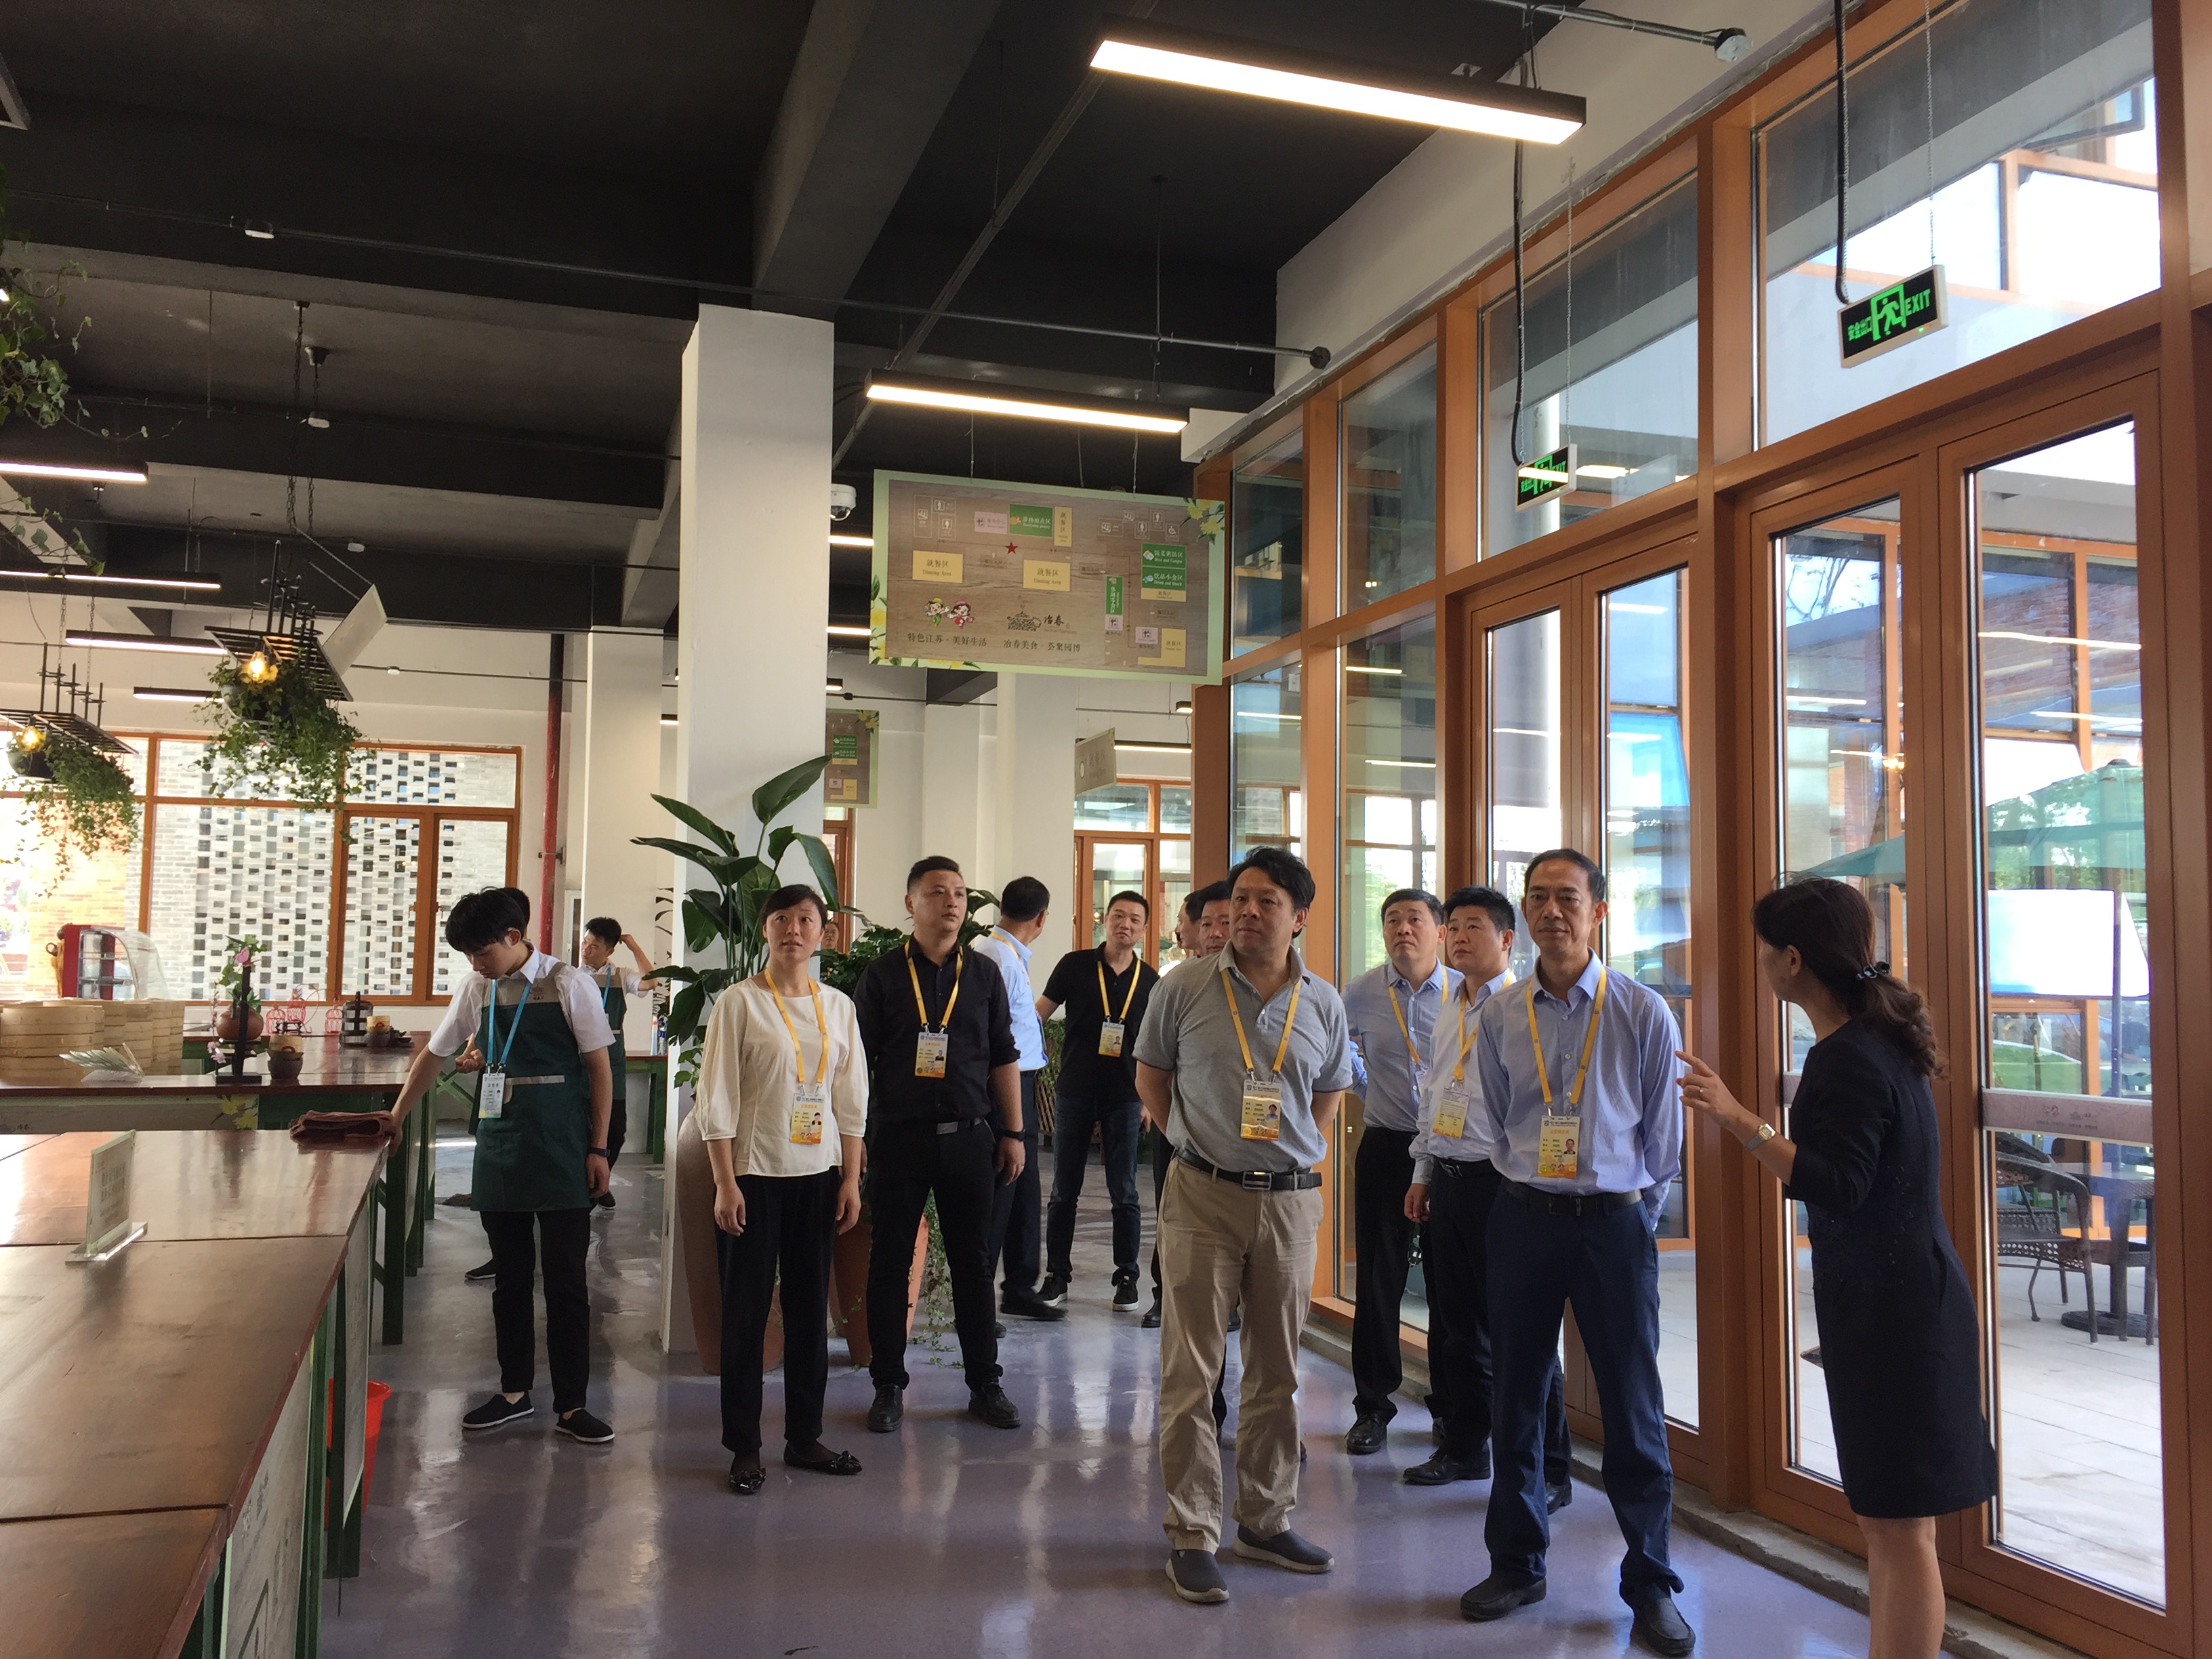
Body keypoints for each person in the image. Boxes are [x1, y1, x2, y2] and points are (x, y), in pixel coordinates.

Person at [1678, 878, 1994, 1659]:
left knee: (1896, 1528)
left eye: (1764, 950)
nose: (1759, 964)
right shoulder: (1874, 1041)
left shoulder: (1846, 1056)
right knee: (1893, 1525)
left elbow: (1840, 1184)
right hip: (1901, 1301)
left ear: (1792, 960)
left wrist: (1736, 1119)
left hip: (1896, 1315)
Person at [1460, 849, 1692, 1657]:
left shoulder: (1642, 1011)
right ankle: (1517, 1563)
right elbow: (1496, 1121)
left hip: (1614, 1227)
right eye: (1538, 899)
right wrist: (1537, 1189)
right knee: (1517, 1395)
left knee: (1632, 1405)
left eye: (1568, 897)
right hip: (1524, 1218)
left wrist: (1626, 1213)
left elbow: (1663, 1140)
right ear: (1524, 914)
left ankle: (1651, 1584)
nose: (1552, 912)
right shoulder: (1500, 1015)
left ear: (1599, 911)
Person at [1135, 847, 1355, 1606]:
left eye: (1268, 902)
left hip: (1290, 1202)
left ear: (1300, 918)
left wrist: (1290, 1152)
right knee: (1191, 1371)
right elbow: (1152, 1078)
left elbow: (1328, 1094)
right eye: (1241, 899)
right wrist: (1192, 1144)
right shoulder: (1184, 985)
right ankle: (1193, 1532)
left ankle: (1265, 1519)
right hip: (1202, 1194)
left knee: (1278, 1371)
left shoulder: (1323, 1002)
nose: (1249, 913)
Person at [394, 886, 616, 1445]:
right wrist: (395, 1116)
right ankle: (514, 1392)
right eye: (468, 955)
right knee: (510, 1281)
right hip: (500, 1146)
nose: (476, 963)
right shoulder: (477, 988)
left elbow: (600, 1069)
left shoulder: (569, 984)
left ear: (513, 937)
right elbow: (435, 1055)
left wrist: (598, 1149)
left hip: (562, 1147)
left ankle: (572, 1405)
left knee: (566, 1283)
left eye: (482, 951)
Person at [1402, 886, 1572, 1510]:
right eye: (1453, 927)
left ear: (1506, 939)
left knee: (1523, 1332)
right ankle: (1467, 1447)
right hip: (1449, 1178)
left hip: (1506, 1184)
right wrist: (1423, 1172)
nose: (1458, 937)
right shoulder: (1450, 1002)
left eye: (1473, 926)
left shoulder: (1525, 1007)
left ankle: (1553, 1470)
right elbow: (1433, 1094)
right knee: (1458, 1328)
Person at [695, 885, 869, 1495]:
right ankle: (744, 1446)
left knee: (808, 1311)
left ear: (823, 933)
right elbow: (716, 1097)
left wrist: (851, 1178)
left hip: (817, 1179)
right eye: (781, 919)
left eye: (806, 919)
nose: (793, 929)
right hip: (752, 1177)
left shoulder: (838, 1006)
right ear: (765, 930)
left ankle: (804, 1437)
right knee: (745, 1314)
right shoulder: (739, 1003)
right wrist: (724, 1183)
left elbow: (851, 1099)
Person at [853, 857, 1027, 1433]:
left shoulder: (984, 975)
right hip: (898, 1140)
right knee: (889, 1262)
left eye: (959, 892)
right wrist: (855, 1143)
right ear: (911, 904)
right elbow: (857, 1065)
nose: (952, 902)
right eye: (937, 892)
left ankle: (985, 1384)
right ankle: (887, 1385)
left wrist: (1014, 1132)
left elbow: (1003, 1055)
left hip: (968, 1140)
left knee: (973, 1265)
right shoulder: (882, 975)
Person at [1338, 888, 1460, 1455]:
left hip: (1453, 1153)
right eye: (1392, 920)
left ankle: (1451, 1409)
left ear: (1440, 931)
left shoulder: (1465, 993)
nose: (1402, 929)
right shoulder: (1361, 992)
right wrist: (1374, 1093)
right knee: (1378, 1279)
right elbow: (1340, 1054)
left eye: (1415, 919)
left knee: (1448, 1283)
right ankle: (1373, 1407)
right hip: (1388, 1145)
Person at [1036, 888, 1158, 1312]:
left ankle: (1127, 1276)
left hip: (1125, 1096)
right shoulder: (1074, 965)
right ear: (1104, 920)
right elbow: (1038, 1014)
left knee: (1124, 1191)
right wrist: (1029, 1062)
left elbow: (1157, 1047)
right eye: (1118, 916)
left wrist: (1148, 1100)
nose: (1125, 924)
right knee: (1063, 1189)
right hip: (1075, 1090)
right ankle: (1057, 1275)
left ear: (1144, 929)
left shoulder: (1151, 981)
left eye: (1135, 919)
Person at [975, 876, 1064, 1324]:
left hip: (1023, 1081)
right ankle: (980, 1300)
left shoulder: (1005, 954)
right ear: (1042, 918)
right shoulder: (999, 959)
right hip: (1005, 1085)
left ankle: (1019, 1287)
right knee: (1002, 1187)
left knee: (1024, 1190)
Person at [1144, 880, 1231, 1329]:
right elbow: (1151, 1071)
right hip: (1183, 1129)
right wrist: (1175, 1130)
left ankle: (1230, 1303)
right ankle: (1165, 1296)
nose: (1215, 933)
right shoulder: (1179, 984)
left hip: (1244, 1136)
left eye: (1225, 923)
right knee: (1173, 1216)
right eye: (1207, 923)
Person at [578, 916, 658, 1205]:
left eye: (594, 946)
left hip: (613, 1063)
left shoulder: (621, 975)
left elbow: (651, 983)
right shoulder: (573, 976)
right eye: (585, 943)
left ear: (610, 950)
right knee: (582, 1129)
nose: (586, 950)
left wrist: (634, 947)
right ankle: (588, 1188)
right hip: (580, 1063)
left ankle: (601, 1180)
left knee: (616, 1130)